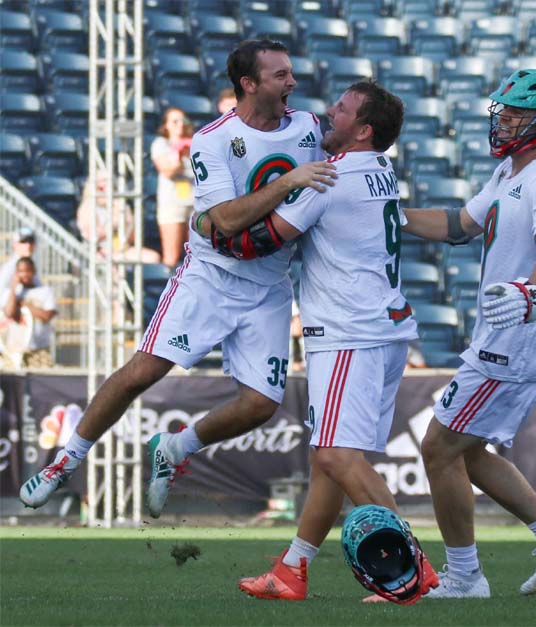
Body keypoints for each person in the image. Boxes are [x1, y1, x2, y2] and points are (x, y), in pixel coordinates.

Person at [19, 39, 337, 513]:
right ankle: (65, 461)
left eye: (290, 72)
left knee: (261, 404)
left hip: (270, 284)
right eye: (280, 75)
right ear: (249, 84)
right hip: (211, 276)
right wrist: (289, 181)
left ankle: (174, 448)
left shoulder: (308, 125)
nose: (292, 81)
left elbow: (340, 160)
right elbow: (225, 219)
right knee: (141, 373)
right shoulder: (212, 139)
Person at [198, 80, 439, 602]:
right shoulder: (380, 169)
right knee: (328, 457)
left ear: (364, 130)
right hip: (381, 328)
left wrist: (209, 223)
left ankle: (415, 568)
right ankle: (292, 569)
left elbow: (261, 238)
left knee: (334, 456)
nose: (331, 111)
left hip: (347, 332)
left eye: (343, 109)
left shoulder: (331, 176)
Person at [402, 69, 536, 598]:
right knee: (464, 451)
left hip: (517, 340)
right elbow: (458, 225)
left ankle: (465, 577)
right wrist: (390, 214)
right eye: (504, 111)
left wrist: (531, 291)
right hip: (502, 336)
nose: (505, 121)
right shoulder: (511, 170)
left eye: (517, 114)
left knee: (439, 447)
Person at [76, 172, 161, 263]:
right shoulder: (87, 207)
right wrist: (114, 223)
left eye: (108, 184)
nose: (105, 188)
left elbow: (133, 238)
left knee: (153, 257)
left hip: (122, 248)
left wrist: (127, 220)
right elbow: (92, 236)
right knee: (110, 264)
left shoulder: (121, 205)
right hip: (99, 250)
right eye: (101, 188)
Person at [151, 107, 195, 268]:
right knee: (172, 256)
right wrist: (179, 153)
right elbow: (168, 171)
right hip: (172, 204)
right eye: (175, 121)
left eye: (183, 120)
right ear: (166, 126)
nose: (180, 124)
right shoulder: (161, 144)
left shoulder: (195, 143)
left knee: (197, 253)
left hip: (194, 203)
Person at [0, 257, 57, 368]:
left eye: (28, 271)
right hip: (13, 351)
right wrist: (13, 288)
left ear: (34, 271)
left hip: (38, 350)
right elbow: (9, 313)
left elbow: (46, 316)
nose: (25, 274)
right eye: (21, 271)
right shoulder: (10, 293)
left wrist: (24, 304)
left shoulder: (45, 292)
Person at [0, 227, 39, 294]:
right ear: (15, 244)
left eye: (30, 242)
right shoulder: (10, 268)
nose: (28, 245)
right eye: (23, 241)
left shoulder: (30, 265)